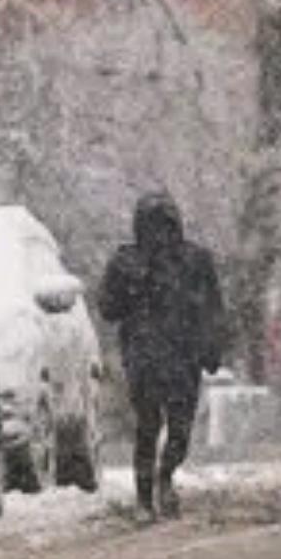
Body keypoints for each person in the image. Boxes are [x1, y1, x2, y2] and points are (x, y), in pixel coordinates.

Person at [97, 191, 225, 520]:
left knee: (179, 428)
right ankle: (144, 496)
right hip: (144, 356)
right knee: (148, 425)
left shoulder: (195, 261)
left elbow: (213, 309)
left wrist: (211, 347)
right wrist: (129, 288)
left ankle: (165, 475)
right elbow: (108, 308)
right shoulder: (126, 262)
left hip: (184, 356)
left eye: (165, 226)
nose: (159, 235)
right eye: (152, 226)